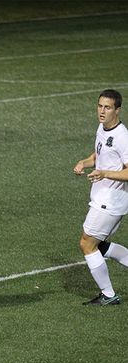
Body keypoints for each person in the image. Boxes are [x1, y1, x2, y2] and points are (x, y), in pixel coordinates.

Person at [74, 89, 127, 306]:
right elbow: (100, 153)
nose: (102, 111)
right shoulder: (102, 128)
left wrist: (104, 173)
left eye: (107, 107)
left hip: (111, 200)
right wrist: (85, 162)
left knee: (87, 243)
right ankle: (108, 294)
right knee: (100, 245)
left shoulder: (123, 137)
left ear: (118, 110)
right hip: (103, 197)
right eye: (100, 106)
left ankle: (108, 294)